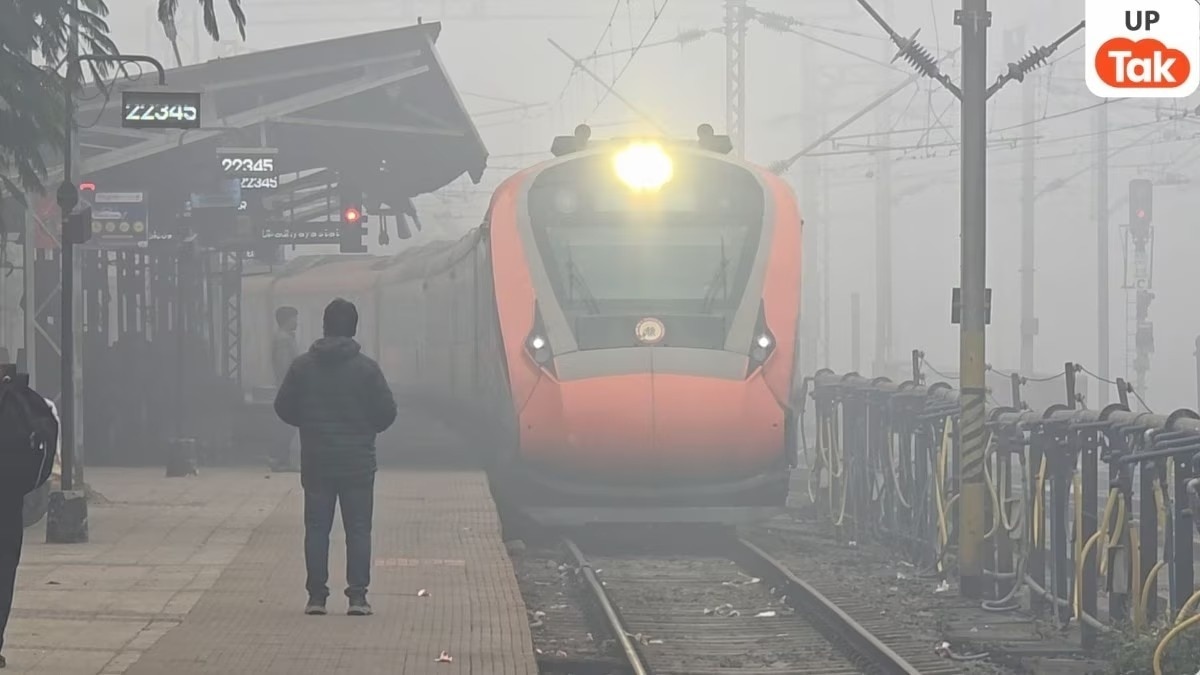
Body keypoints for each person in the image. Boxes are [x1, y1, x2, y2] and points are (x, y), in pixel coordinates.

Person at [274, 298, 396, 617]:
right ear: (353, 328)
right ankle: (357, 598)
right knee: (358, 529)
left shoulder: (302, 366)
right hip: (358, 462)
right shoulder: (367, 369)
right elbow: (387, 413)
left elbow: (282, 406)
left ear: (324, 326)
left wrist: (308, 423)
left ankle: (317, 598)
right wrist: (366, 428)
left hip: (317, 459)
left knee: (316, 528)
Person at [270, 306, 301, 472]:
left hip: (286, 388)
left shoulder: (286, 338)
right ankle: (279, 459)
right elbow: (284, 366)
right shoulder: (283, 340)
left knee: (286, 425)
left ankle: (281, 459)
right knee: (286, 425)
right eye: (294, 318)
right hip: (287, 389)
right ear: (286, 320)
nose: (297, 322)